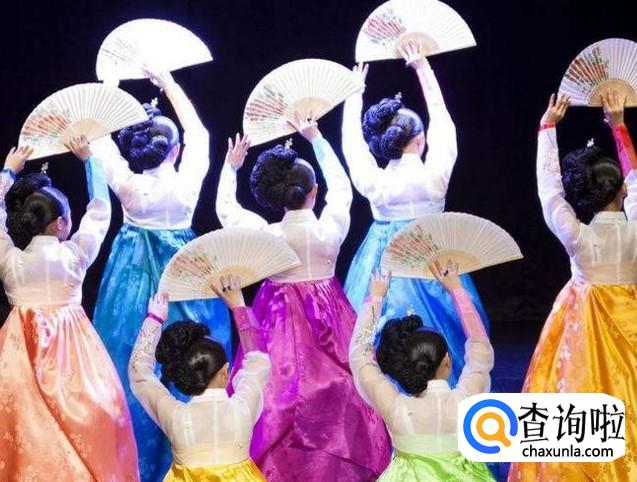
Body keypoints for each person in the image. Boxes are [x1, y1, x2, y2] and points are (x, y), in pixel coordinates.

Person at [216, 114, 391, 480]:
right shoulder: (330, 228)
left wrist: (231, 168)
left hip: (277, 314)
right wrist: (316, 138)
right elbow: (342, 188)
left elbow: (226, 211)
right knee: (345, 387)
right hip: (331, 312)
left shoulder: (267, 235)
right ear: (314, 192)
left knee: (275, 389)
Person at [91, 67, 230, 480]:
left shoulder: (128, 185)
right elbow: (200, 134)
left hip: (132, 276)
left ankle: (133, 462)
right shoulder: (185, 184)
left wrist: (109, 91)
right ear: (174, 151)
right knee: (190, 361)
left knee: (131, 357)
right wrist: (169, 85)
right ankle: (194, 452)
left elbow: (100, 142)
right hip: (183, 274)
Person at [341, 43, 488, 385]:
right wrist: (423, 68)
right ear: (420, 139)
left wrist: (354, 96)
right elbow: (444, 124)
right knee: (448, 321)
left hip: (383, 257)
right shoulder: (434, 178)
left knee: (374, 323)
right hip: (431, 253)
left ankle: (384, 394)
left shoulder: (377, 182)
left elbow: (351, 145)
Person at [508, 92, 637, 482]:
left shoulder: (577, 235)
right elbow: (636, 177)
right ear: (622, 190)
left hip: (581, 319)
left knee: (576, 393)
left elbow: (550, 192)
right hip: (630, 314)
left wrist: (547, 129)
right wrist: (619, 126)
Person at [0, 138, 139, 481]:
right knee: (91, 412)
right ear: (61, 223)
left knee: (25, 424)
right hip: (74, 351)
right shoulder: (75, 256)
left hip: (19, 351)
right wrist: (90, 161)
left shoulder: (11, 261)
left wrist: (7, 173)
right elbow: (100, 211)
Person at [349, 265, 495, 482]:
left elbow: (360, 356)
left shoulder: (396, 408)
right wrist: (457, 292)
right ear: (447, 361)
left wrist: (376, 299)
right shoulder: (463, 402)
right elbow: (480, 349)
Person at [129, 275, 269, 481]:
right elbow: (259, 360)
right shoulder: (242, 410)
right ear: (225, 371)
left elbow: (139, 373)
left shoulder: (176, 417)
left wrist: (154, 320)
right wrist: (238, 307)